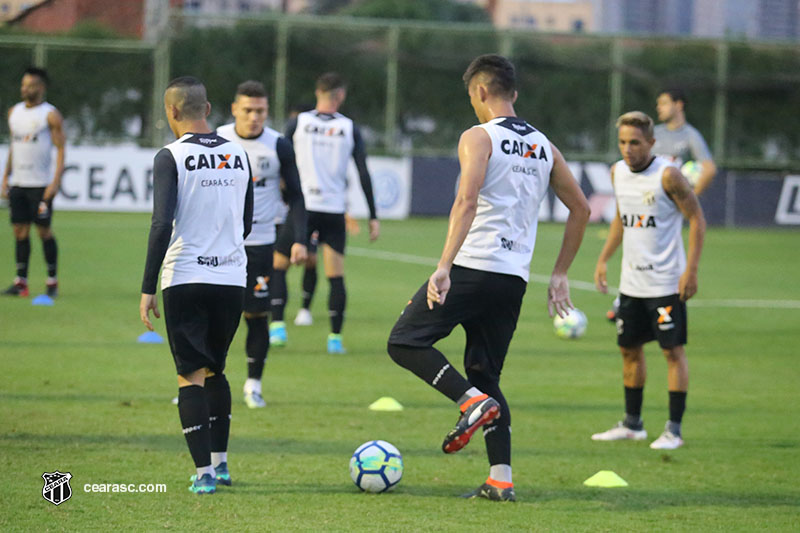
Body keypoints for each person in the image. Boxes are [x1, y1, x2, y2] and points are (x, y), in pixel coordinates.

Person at [387, 54, 590, 501]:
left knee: (404, 341)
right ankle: (500, 480)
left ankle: (470, 402)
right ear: (513, 93)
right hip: (512, 280)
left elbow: (466, 200)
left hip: (472, 267)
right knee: (486, 373)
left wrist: (443, 265)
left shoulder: (479, 136)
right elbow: (582, 208)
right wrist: (559, 274)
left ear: (480, 92)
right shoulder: (543, 145)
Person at [139, 76, 253, 494]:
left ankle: (203, 475)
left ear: (171, 112)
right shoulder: (239, 154)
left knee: (190, 376)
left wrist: (147, 286)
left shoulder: (170, 156)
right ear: (208, 109)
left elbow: (160, 224)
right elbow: (246, 221)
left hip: (185, 277)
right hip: (230, 279)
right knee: (217, 370)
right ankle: (221, 466)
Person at [592, 111, 706, 450]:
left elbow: (697, 220)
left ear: (652, 143)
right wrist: (603, 259)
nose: (628, 149)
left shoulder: (669, 176)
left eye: (635, 143)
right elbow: (621, 221)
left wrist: (692, 270)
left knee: (672, 352)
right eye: (623, 142)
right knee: (629, 350)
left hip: (666, 283)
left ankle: (674, 429)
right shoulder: (617, 172)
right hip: (631, 285)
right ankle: (632, 424)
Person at [270, 72, 380, 354]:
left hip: (302, 208)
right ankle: (335, 339)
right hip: (333, 211)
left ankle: (278, 327)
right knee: (336, 275)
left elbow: (279, 159)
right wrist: (373, 215)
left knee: (279, 266)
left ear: (317, 92)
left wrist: (281, 195)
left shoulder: (299, 122)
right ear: (340, 95)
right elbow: (363, 171)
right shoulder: (349, 127)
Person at [217, 81, 307, 409]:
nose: (255, 117)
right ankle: (203, 381)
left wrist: (299, 239)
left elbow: (297, 195)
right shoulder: (218, 141)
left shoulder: (278, 145)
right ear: (234, 110)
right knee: (215, 317)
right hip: (220, 247)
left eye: (261, 111)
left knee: (256, 316)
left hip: (260, 246)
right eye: (248, 110)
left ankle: (253, 385)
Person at [605, 89, 716, 322]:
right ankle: (624, 303)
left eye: (664, 103)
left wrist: (690, 196)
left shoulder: (689, 136)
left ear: (679, 105)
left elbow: (709, 168)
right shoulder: (656, 134)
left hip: (667, 206)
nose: (659, 108)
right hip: (644, 202)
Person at [1, 67, 65, 298]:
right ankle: (21, 283)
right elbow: (14, 146)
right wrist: (6, 175)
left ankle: (52, 282)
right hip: (19, 182)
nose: (24, 89)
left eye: (29, 85)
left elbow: (60, 149)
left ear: (40, 88)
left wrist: (55, 181)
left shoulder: (50, 115)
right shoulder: (14, 113)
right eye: (23, 85)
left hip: (40, 184)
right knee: (19, 231)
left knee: (44, 231)